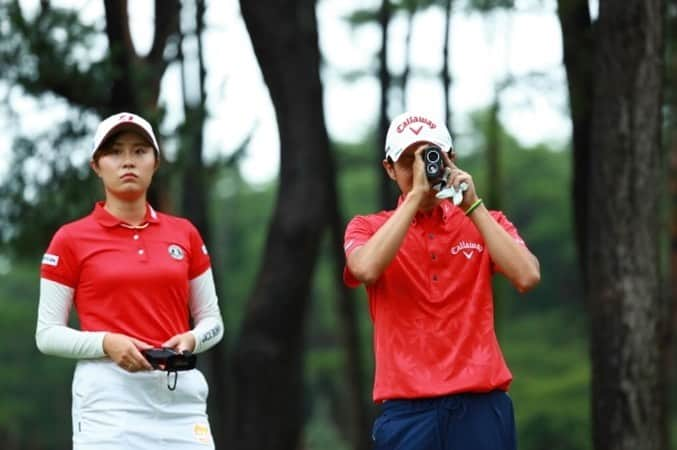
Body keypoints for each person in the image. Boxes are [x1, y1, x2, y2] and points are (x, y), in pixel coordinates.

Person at [343, 111, 540, 450]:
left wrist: (472, 204)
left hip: (480, 406)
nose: (421, 170)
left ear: (451, 160)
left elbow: (527, 275)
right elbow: (365, 268)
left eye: (431, 157)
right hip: (407, 411)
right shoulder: (369, 227)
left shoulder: (484, 221)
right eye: (408, 162)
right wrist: (417, 197)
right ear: (388, 169)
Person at [36, 112, 224, 449]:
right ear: (96, 165)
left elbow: (213, 321)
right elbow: (47, 334)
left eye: (139, 151)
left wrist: (192, 339)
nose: (128, 162)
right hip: (109, 400)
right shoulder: (70, 239)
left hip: (180, 398)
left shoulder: (185, 234)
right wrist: (106, 343)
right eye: (115, 152)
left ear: (155, 161)